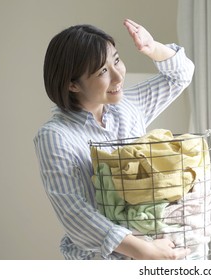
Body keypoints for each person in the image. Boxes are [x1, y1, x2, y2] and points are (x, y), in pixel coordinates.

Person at [34, 19, 195, 260]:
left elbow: (180, 76)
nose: (119, 77)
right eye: (103, 71)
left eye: (117, 60)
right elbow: (74, 214)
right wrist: (145, 251)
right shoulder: (55, 136)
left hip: (156, 250)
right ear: (72, 84)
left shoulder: (128, 106)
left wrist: (153, 48)